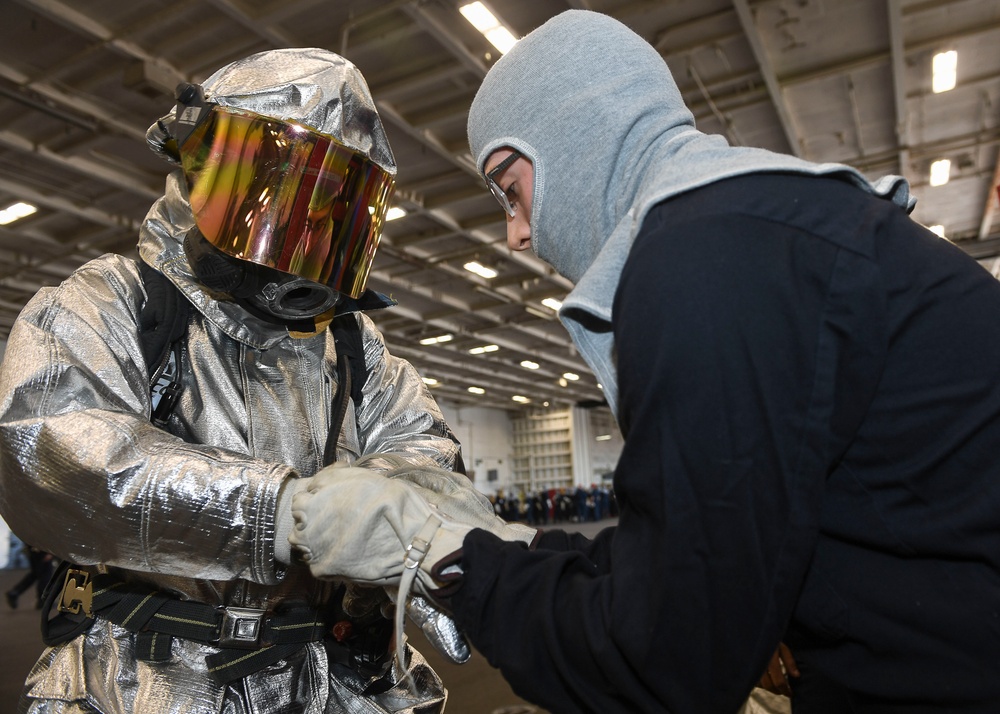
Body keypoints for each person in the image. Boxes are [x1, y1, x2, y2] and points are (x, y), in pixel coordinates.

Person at [285, 10, 1000, 714]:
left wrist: (437, 555)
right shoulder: (766, 227)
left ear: (576, 138)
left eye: (511, 188)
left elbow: (661, 665)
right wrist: (518, 544)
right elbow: (697, 554)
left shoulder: (703, 261)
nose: (517, 234)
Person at [0, 47, 473, 714]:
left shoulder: (350, 343)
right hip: (153, 686)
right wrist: (279, 513)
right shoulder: (114, 303)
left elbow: (426, 445)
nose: (305, 227)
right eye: (287, 192)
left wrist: (407, 532)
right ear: (206, 172)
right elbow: (50, 447)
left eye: (332, 208)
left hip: (333, 681)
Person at [5, 544, 56, 610]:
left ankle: (15, 592)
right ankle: (43, 600)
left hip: (34, 548)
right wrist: (48, 552)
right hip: (41, 549)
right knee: (45, 575)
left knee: (35, 574)